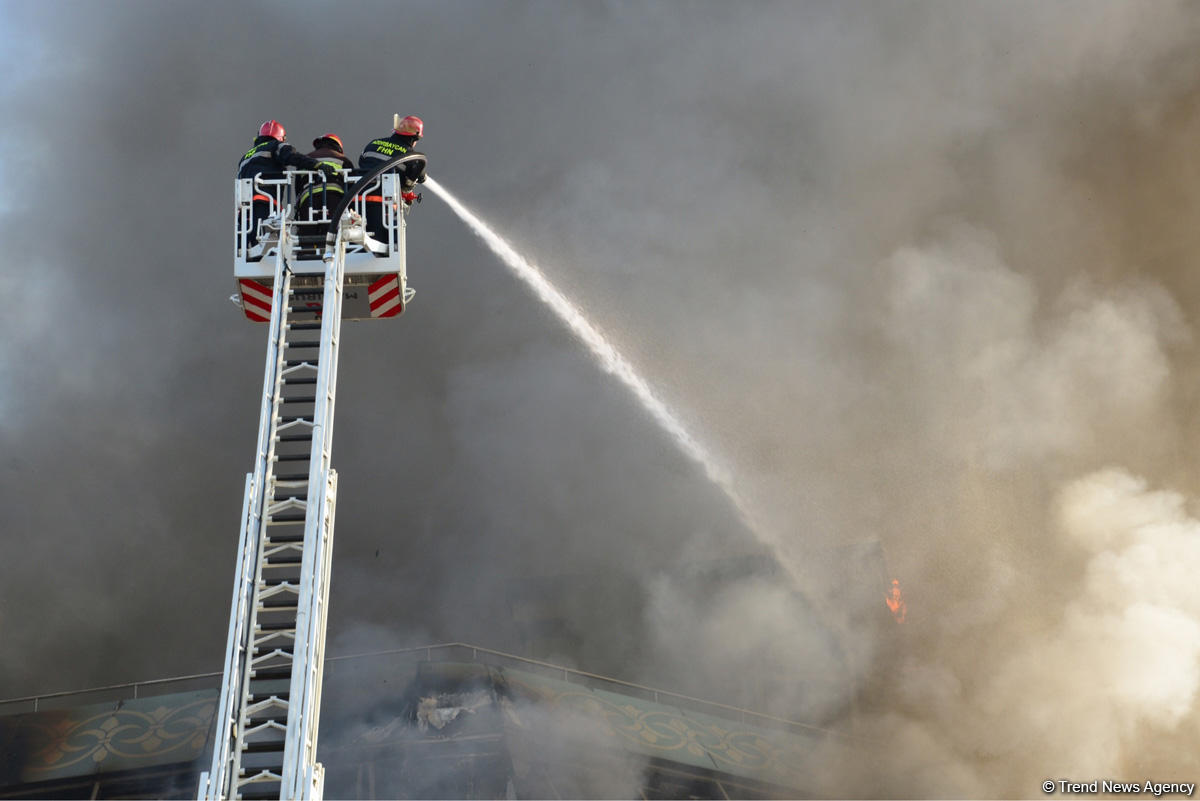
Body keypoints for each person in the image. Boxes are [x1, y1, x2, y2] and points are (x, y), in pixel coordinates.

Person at [236, 120, 337, 252]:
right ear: (280, 137)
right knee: (265, 241)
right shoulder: (275, 146)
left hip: (246, 206)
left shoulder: (245, 157)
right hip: (266, 200)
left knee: (250, 240)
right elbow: (293, 157)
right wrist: (317, 165)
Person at [357, 115, 428, 246]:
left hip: (356, 203)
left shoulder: (373, 144)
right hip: (382, 208)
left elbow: (362, 163)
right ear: (415, 138)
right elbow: (415, 177)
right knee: (383, 248)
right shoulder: (411, 157)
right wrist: (410, 186)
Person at [295, 133, 355, 224]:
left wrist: (298, 207)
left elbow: (298, 187)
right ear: (338, 146)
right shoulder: (343, 159)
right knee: (332, 229)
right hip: (334, 197)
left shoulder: (305, 159)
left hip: (308, 199)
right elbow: (352, 187)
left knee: (308, 229)